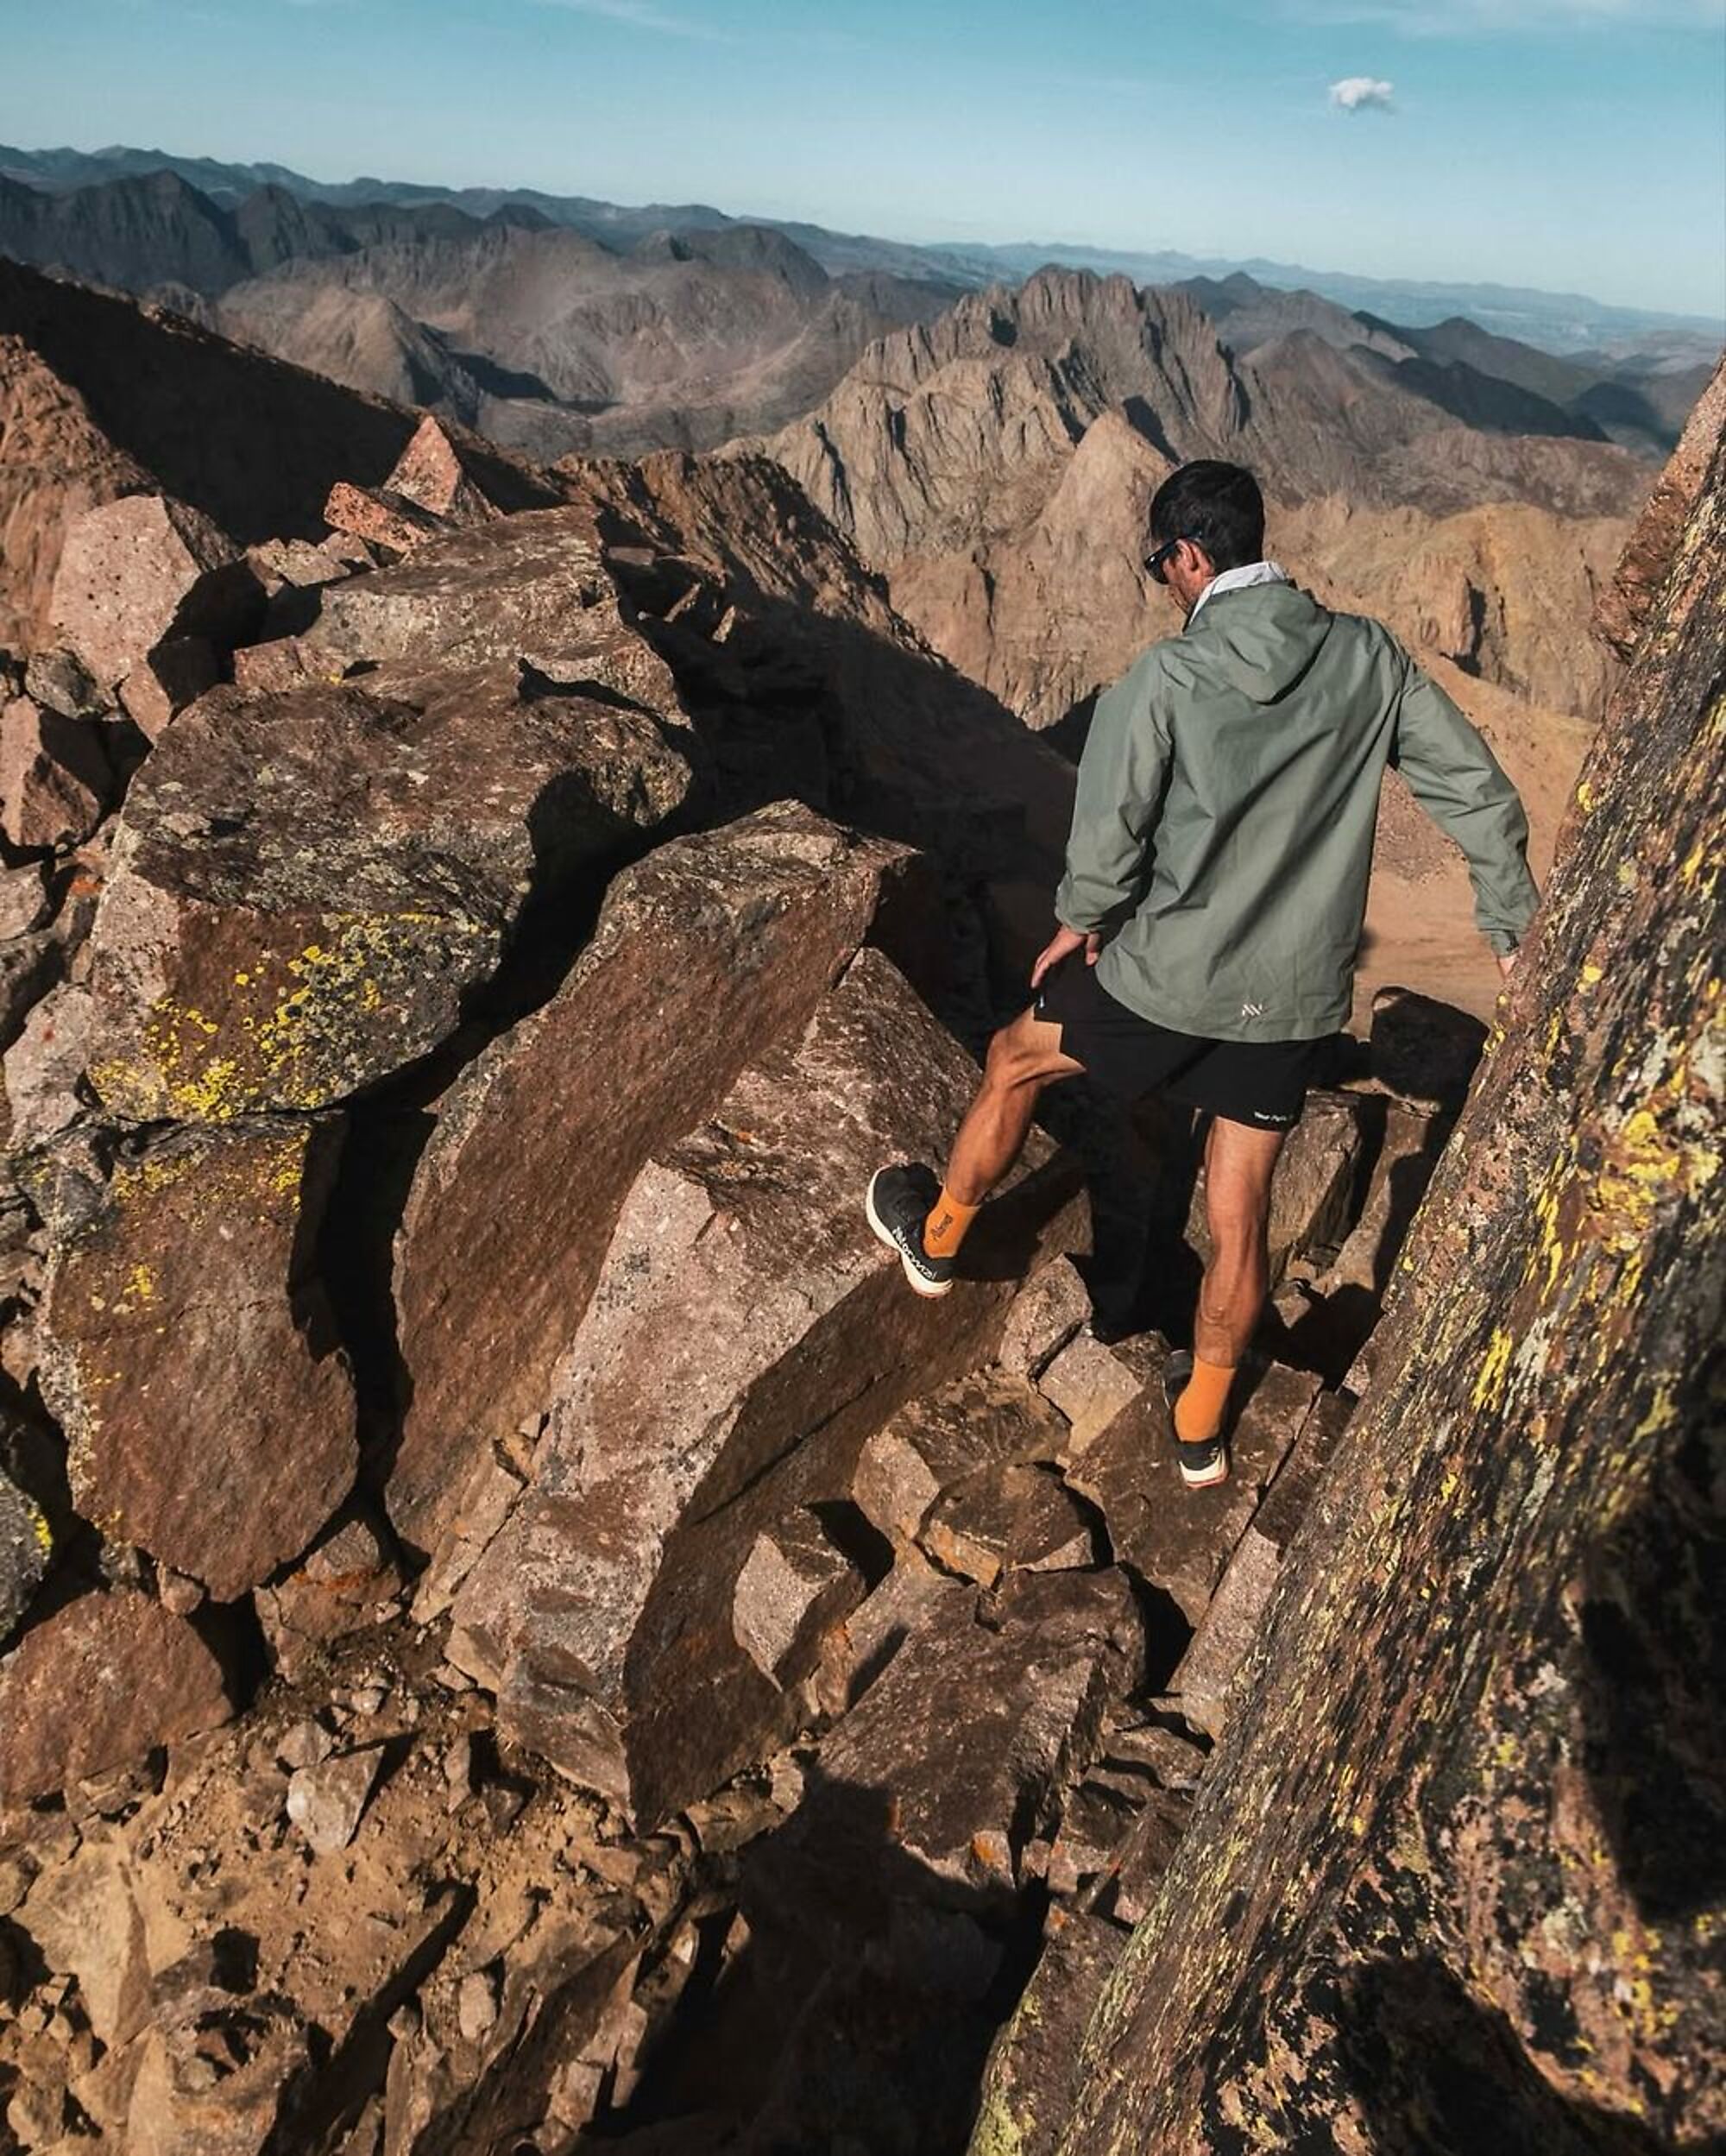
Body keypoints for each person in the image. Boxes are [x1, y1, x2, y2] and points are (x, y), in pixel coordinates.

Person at [866, 459, 1538, 1491]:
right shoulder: (1366, 658)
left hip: (1164, 978)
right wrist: (1508, 919)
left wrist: (1080, 922)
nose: (1163, 583)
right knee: (1240, 1212)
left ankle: (936, 1239)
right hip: (1290, 1000)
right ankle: (1197, 1428)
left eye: (1159, 565)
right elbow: (1475, 790)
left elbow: (1112, 824)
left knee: (1011, 1059)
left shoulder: (1166, 678)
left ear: (1188, 555)